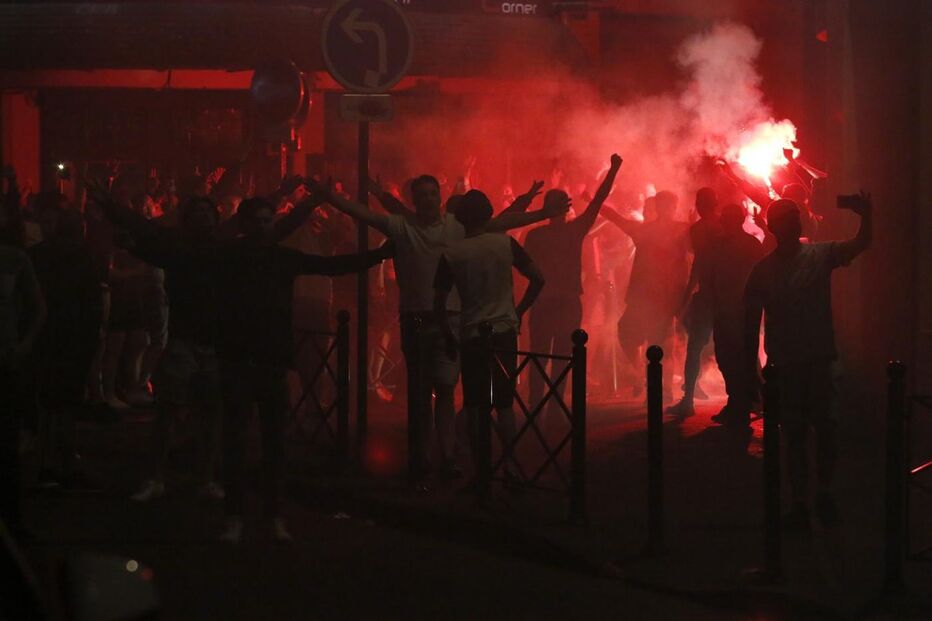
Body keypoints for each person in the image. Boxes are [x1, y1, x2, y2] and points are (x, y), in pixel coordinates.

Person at [311, 175, 566, 487]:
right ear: (415, 201)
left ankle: (447, 458)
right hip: (417, 322)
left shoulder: (456, 226)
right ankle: (425, 461)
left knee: (447, 391)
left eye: (434, 194)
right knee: (420, 395)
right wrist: (331, 197)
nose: (429, 199)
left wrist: (543, 212)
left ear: (440, 197)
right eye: (423, 195)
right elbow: (362, 214)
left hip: (453, 320)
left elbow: (500, 220)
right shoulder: (402, 226)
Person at [87, 179, 320, 507]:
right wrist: (116, 216)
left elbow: (270, 231)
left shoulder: (225, 246)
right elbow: (145, 233)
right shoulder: (181, 245)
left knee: (210, 415)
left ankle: (204, 478)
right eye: (196, 213)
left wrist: (306, 205)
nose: (203, 219)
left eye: (206, 213)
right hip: (185, 339)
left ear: (214, 218)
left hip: (214, 342)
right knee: (169, 413)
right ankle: (157, 477)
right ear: (188, 219)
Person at [211, 197, 392, 543]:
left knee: (274, 443)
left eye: (268, 220)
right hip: (237, 358)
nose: (263, 226)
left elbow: (330, 265)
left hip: (271, 360)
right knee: (235, 441)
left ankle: (273, 514)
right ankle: (234, 515)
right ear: (246, 224)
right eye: (258, 220)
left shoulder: (281, 258)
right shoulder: (229, 256)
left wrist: (377, 256)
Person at [744, 193, 872, 529]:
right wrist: (751, 371)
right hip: (787, 365)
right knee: (796, 436)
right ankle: (802, 500)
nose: (796, 223)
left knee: (825, 429)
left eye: (796, 218)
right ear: (776, 227)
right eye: (790, 218)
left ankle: (822, 493)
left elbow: (861, 243)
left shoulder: (819, 254)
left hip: (817, 360)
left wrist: (867, 215)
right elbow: (749, 324)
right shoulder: (762, 271)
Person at [433, 189, 546, 485]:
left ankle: (480, 469)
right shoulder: (505, 244)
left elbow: (439, 302)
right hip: (504, 331)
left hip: (471, 333)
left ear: (460, 220)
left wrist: (447, 335)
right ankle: (508, 463)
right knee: (505, 402)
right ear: (489, 214)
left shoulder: (452, 253)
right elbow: (538, 278)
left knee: (474, 402)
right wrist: (519, 310)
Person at [523, 154, 622, 425]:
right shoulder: (573, 231)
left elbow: (523, 272)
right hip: (564, 303)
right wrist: (613, 170)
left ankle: (535, 408)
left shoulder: (534, 235)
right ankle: (553, 409)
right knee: (560, 357)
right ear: (566, 208)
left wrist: (523, 304)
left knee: (539, 355)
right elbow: (597, 201)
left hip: (544, 302)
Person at [29, 202, 104, 489]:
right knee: (57, 406)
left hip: (59, 338)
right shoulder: (65, 257)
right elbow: (91, 303)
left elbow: (90, 302)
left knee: (57, 406)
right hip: (57, 339)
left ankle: (53, 465)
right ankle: (57, 465)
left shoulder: (42, 257)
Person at [603, 191, 690, 401]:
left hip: (659, 296)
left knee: (660, 342)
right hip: (654, 297)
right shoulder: (675, 230)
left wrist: (595, 201)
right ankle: (651, 380)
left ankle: (662, 387)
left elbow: (616, 218)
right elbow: (617, 219)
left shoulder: (678, 230)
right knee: (642, 337)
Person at [0, 212, 45, 541]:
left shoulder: (15, 260)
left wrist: (22, 347)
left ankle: (12, 521)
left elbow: (38, 308)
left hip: (5, 361)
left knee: (6, 445)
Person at [707, 204, 764, 426]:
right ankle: (742, 400)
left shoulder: (746, 244)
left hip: (739, 309)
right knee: (728, 356)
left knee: (734, 356)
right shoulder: (727, 244)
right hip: (730, 308)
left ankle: (739, 403)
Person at [669, 187, 721, 416]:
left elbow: (698, 265)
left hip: (710, 295)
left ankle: (688, 398)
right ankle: (746, 397)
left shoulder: (700, 229)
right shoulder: (720, 227)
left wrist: (686, 296)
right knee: (726, 345)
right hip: (723, 294)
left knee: (696, 346)